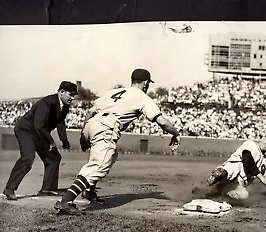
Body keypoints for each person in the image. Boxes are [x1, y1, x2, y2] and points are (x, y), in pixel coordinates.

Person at [54, 69, 181, 215]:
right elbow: (162, 122)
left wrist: (84, 133)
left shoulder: (116, 92)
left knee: (110, 154)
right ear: (146, 83)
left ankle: (89, 192)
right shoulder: (142, 97)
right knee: (99, 165)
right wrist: (175, 133)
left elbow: (90, 111)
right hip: (106, 127)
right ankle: (66, 200)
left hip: (92, 123)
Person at [2, 81, 78, 200]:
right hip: (26, 130)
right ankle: (9, 188)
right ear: (61, 92)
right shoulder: (47, 103)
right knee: (28, 157)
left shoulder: (64, 106)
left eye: (74, 95)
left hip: (39, 133)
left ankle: (48, 189)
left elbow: (60, 122)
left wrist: (64, 140)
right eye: (71, 94)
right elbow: (38, 125)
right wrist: (50, 142)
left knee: (54, 158)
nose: (72, 98)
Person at [192, 132, 266, 202]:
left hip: (236, 184)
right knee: (236, 167)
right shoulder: (251, 145)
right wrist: (261, 177)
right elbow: (247, 159)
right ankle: (211, 181)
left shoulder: (265, 162)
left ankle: (214, 193)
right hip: (229, 173)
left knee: (243, 196)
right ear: (264, 138)